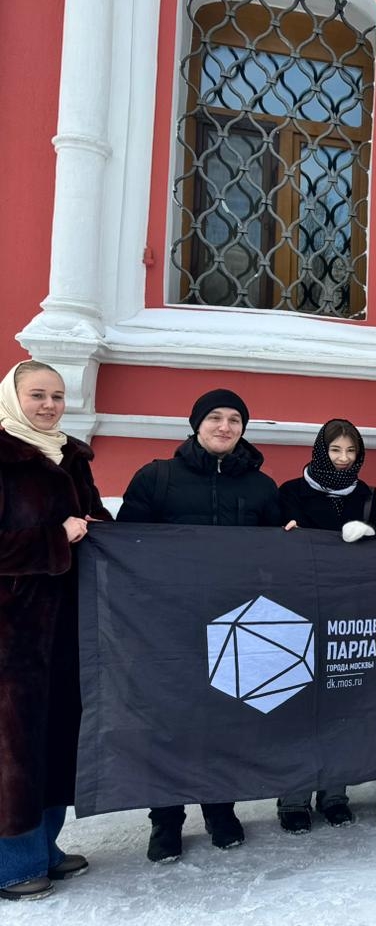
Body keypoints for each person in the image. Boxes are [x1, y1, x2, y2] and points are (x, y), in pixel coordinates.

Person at [118, 388, 282, 863]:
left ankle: (220, 809)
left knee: (224, 720)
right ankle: (166, 818)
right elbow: (127, 544)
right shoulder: (157, 478)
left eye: (235, 420)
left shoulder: (261, 486)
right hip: (166, 625)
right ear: (196, 423)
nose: (225, 427)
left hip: (234, 624)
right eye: (215, 417)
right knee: (165, 723)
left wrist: (290, 545)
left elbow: (275, 556)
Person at [0, 361, 110, 901]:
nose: (49, 405)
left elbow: (95, 520)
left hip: (68, 628)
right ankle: (13, 864)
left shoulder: (71, 458)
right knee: (14, 752)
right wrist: (54, 538)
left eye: (57, 396)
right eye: (38, 395)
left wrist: (101, 530)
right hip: (12, 635)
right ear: (13, 397)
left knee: (59, 740)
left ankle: (46, 847)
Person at [275, 419, 376, 833]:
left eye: (351, 451)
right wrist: (286, 536)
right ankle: (293, 798)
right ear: (322, 451)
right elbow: (271, 549)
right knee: (300, 706)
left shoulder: (368, 496)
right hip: (300, 614)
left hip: (349, 615)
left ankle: (335, 793)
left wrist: (369, 534)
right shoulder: (290, 492)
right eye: (336, 450)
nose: (343, 458)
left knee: (343, 705)